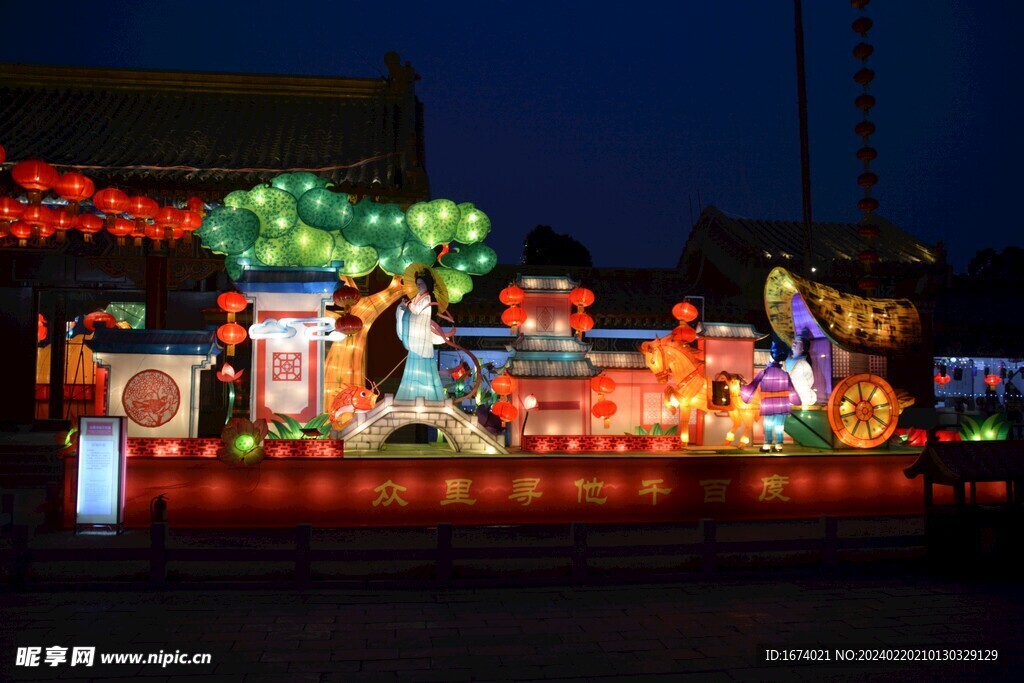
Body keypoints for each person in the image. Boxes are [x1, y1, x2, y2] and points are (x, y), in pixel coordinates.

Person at [741, 339, 801, 453]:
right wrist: (797, 401)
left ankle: (767, 445)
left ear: (771, 356)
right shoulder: (785, 374)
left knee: (768, 425)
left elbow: (752, 386)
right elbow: (791, 390)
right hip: (782, 405)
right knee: (779, 426)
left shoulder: (764, 372)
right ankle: (779, 446)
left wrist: (745, 395)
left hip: (768, 404)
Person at [395, 270, 445, 401]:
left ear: (428, 285)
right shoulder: (416, 298)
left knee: (423, 367)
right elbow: (412, 311)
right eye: (418, 284)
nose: (419, 286)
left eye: (422, 284)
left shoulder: (428, 299)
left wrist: (408, 311)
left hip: (421, 339)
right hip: (415, 340)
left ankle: (426, 396)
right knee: (412, 367)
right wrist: (404, 307)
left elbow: (422, 317)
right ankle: (411, 395)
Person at [785, 330, 817, 407]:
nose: (794, 343)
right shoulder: (784, 360)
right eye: (794, 341)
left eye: (798, 342)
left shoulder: (803, 364)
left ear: (803, 347)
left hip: (798, 395)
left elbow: (809, 382)